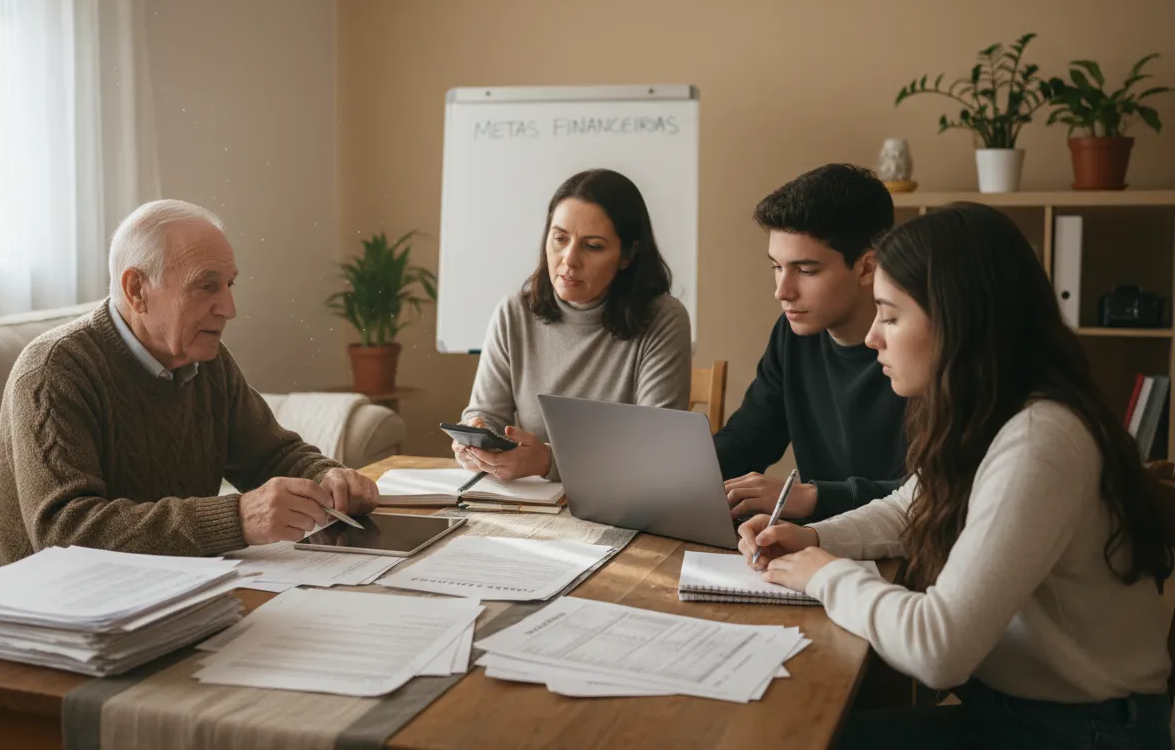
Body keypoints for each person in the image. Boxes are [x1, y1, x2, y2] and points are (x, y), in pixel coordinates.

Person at [739, 203, 1174, 749]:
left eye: (891, 316)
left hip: (1079, 733)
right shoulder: (991, 413)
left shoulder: (1041, 439)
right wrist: (815, 537)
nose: (873, 337)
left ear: (959, 322)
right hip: (1019, 715)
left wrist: (822, 573)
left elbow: (936, 648)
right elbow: (907, 506)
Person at [0, 199, 378, 569]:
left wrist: (326, 476)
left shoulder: (207, 361)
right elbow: (66, 532)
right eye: (206, 286)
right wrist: (238, 518)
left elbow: (269, 455)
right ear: (136, 290)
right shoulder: (53, 371)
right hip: (45, 612)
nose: (229, 309)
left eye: (230, 285)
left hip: (169, 592)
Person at [455, 168, 692, 481]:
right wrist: (477, 436)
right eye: (559, 239)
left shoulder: (663, 318)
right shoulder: (514, 312)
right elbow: (486, 414)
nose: (569, 259)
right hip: (531, 503)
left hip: (621, 504)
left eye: (592, 246)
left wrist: (548, 462)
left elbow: (653, 452)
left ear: (628, 254)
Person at [714, 163, 907, 521]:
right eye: (776, 266)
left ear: (867, 267)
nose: (781, 291)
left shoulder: (919, 347)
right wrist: (686, 478)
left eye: (805, 270)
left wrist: (813, 497)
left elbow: (931, 494)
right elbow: (749, 438)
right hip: (816, 545)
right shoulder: (792, 333)